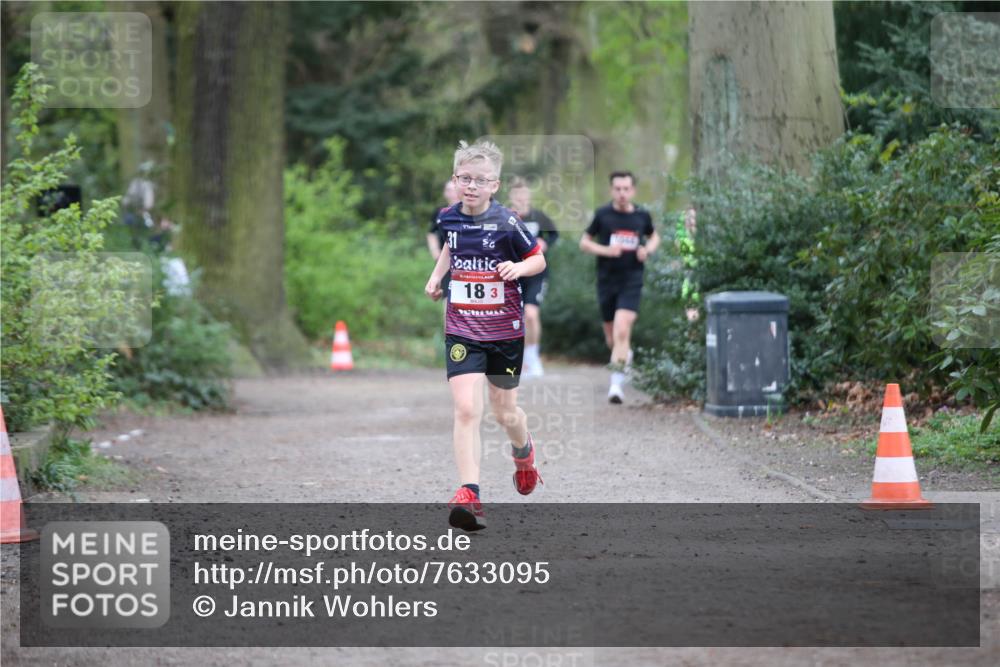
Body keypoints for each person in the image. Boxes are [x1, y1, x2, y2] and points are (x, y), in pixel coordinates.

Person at [424, 140, 546, 531]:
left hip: (504, 332)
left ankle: (523, 454)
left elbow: (538, 258)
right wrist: (436, 275)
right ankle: (469, 493)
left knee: (504, 412)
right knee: (465, 409)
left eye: (480, 180)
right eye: (464, 178)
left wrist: (517, 269)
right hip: (462, 328)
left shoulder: (508, 222)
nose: (471, 185)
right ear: (455, 180)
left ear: (495, 185)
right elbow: (450, 246)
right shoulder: (448, 217)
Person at [579, 171, 660, 404]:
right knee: (612, 338)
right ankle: (626, 356)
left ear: (633, 190)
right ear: (611, 190)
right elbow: (584, 243)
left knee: (622, 330)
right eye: (618, 189)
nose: (622, 193)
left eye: (626, 189)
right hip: (607, 281)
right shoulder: (602, 215)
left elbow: (654, 237)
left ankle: (616, 386)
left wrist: (648, 250)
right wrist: (606, 251)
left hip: (631, 279)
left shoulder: (642, 216)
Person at [507, 177, 559, 378]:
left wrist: (545, 244)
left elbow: (553, 235)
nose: (520, 197)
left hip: (536, 274)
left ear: (529, 195)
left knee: (530, 314)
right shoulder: (506, 216)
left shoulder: (539, 217)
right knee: (512, 319)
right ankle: (516, 361)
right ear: (511, 196)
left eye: (523, 193)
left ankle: (533, 357)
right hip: (512, 273)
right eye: (516, 193)